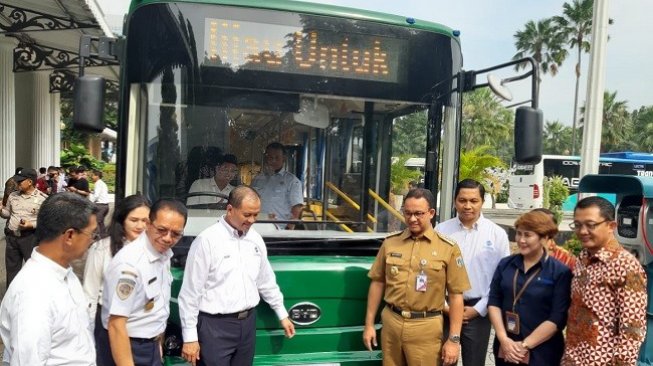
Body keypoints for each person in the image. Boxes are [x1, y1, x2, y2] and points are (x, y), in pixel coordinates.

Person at [178, 186, 295, 366]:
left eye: (256, 215)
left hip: (247, 325)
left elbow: (265, 281)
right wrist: (190, 337)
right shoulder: (207, 241)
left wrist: (281, 313)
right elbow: (190, 293)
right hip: (214, 327)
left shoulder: (255, 239)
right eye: (247, 215)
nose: (252, 220)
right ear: (230, 210)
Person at [363, 188, 471, 366]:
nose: (412, 219)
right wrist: (369, 325)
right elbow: (377, 283)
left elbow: (456, 296)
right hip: (392, 322)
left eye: (418, 213)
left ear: (431, 213)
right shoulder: (390, 243)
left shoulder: (448, 248)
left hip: (426, 326)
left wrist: (453, 339)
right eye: (408, 213)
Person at [0, 192, 100, 365]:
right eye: (91, 234)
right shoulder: (34, 293)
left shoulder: (65, 274)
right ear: (69, 235)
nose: (93, 241)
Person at [98, 199, 187, 366]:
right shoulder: (130, 264)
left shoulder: (163, 255)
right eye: (162, 230)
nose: (168, 238)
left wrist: (157, 344)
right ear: (149, 225)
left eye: (176, 234)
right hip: (128, 348)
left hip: (151, 346)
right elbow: (117, 325)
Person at [561, 196, 647, 366]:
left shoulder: (626, 266)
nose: (582, 231)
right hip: (573, 358)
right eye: (577, 225)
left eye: (590, 225)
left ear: (611, 226)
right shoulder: (583, 258)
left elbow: (632, 328)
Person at [435, 178, 510, 366]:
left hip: (478, 312)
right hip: (444, 309)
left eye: (473, 201)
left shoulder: (497, 235)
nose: (467, 206)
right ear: (454, 201)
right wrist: (445, 306)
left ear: (482, 202)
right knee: (442, 361)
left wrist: (478, 309)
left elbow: (501, 279)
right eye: (462, 200)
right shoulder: (440, 231)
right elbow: (433, 274)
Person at [488, 210, 572, 365]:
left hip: (542, 352)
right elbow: (494, 302)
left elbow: (557, 318)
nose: (521, 240)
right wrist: (504, 339)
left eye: (528, 235)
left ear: (544, 237)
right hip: (506, 347)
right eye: (519, 234)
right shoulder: (505, 264)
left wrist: (524, 345)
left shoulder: (560, 272)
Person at [83, 195, 151, 337]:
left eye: (145, 221)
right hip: (107, 324)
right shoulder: (102, 248)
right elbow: (90, 293)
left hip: (141, 327)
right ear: (122, 220)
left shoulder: (155, 252)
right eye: (134, 220)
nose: (140, 226)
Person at [0, 168, 48, 287]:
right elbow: (8, 213)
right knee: (11, 271)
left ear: (30, 182)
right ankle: (11, 299)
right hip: (12, 238)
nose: (17, 183)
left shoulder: (43, 199)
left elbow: (45, 221)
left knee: (32, 270)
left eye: (20, 181)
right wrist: (1, 210)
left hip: (30, 238)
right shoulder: (13, 195)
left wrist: (31, 225)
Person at [251, 142, 303, 229]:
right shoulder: (258, 179)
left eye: (277, 157)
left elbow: (297, 208)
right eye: (270, 157)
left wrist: (289, 228)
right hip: (256, 226)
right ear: (266, 158)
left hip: (280, 229)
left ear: (284, 159)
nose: (273, 160)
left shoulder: (292, 181)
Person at [90, 169, 111, 236]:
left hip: (100, 205)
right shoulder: (102, 183)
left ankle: (99, 237)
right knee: (100, 222)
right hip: (105, 206)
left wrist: (90, 202)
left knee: (97, 222)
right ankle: (103, 235)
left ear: (97, 176)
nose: (91, 177)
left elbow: (96, 195)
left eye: (93, 175)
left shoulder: (98, 183)